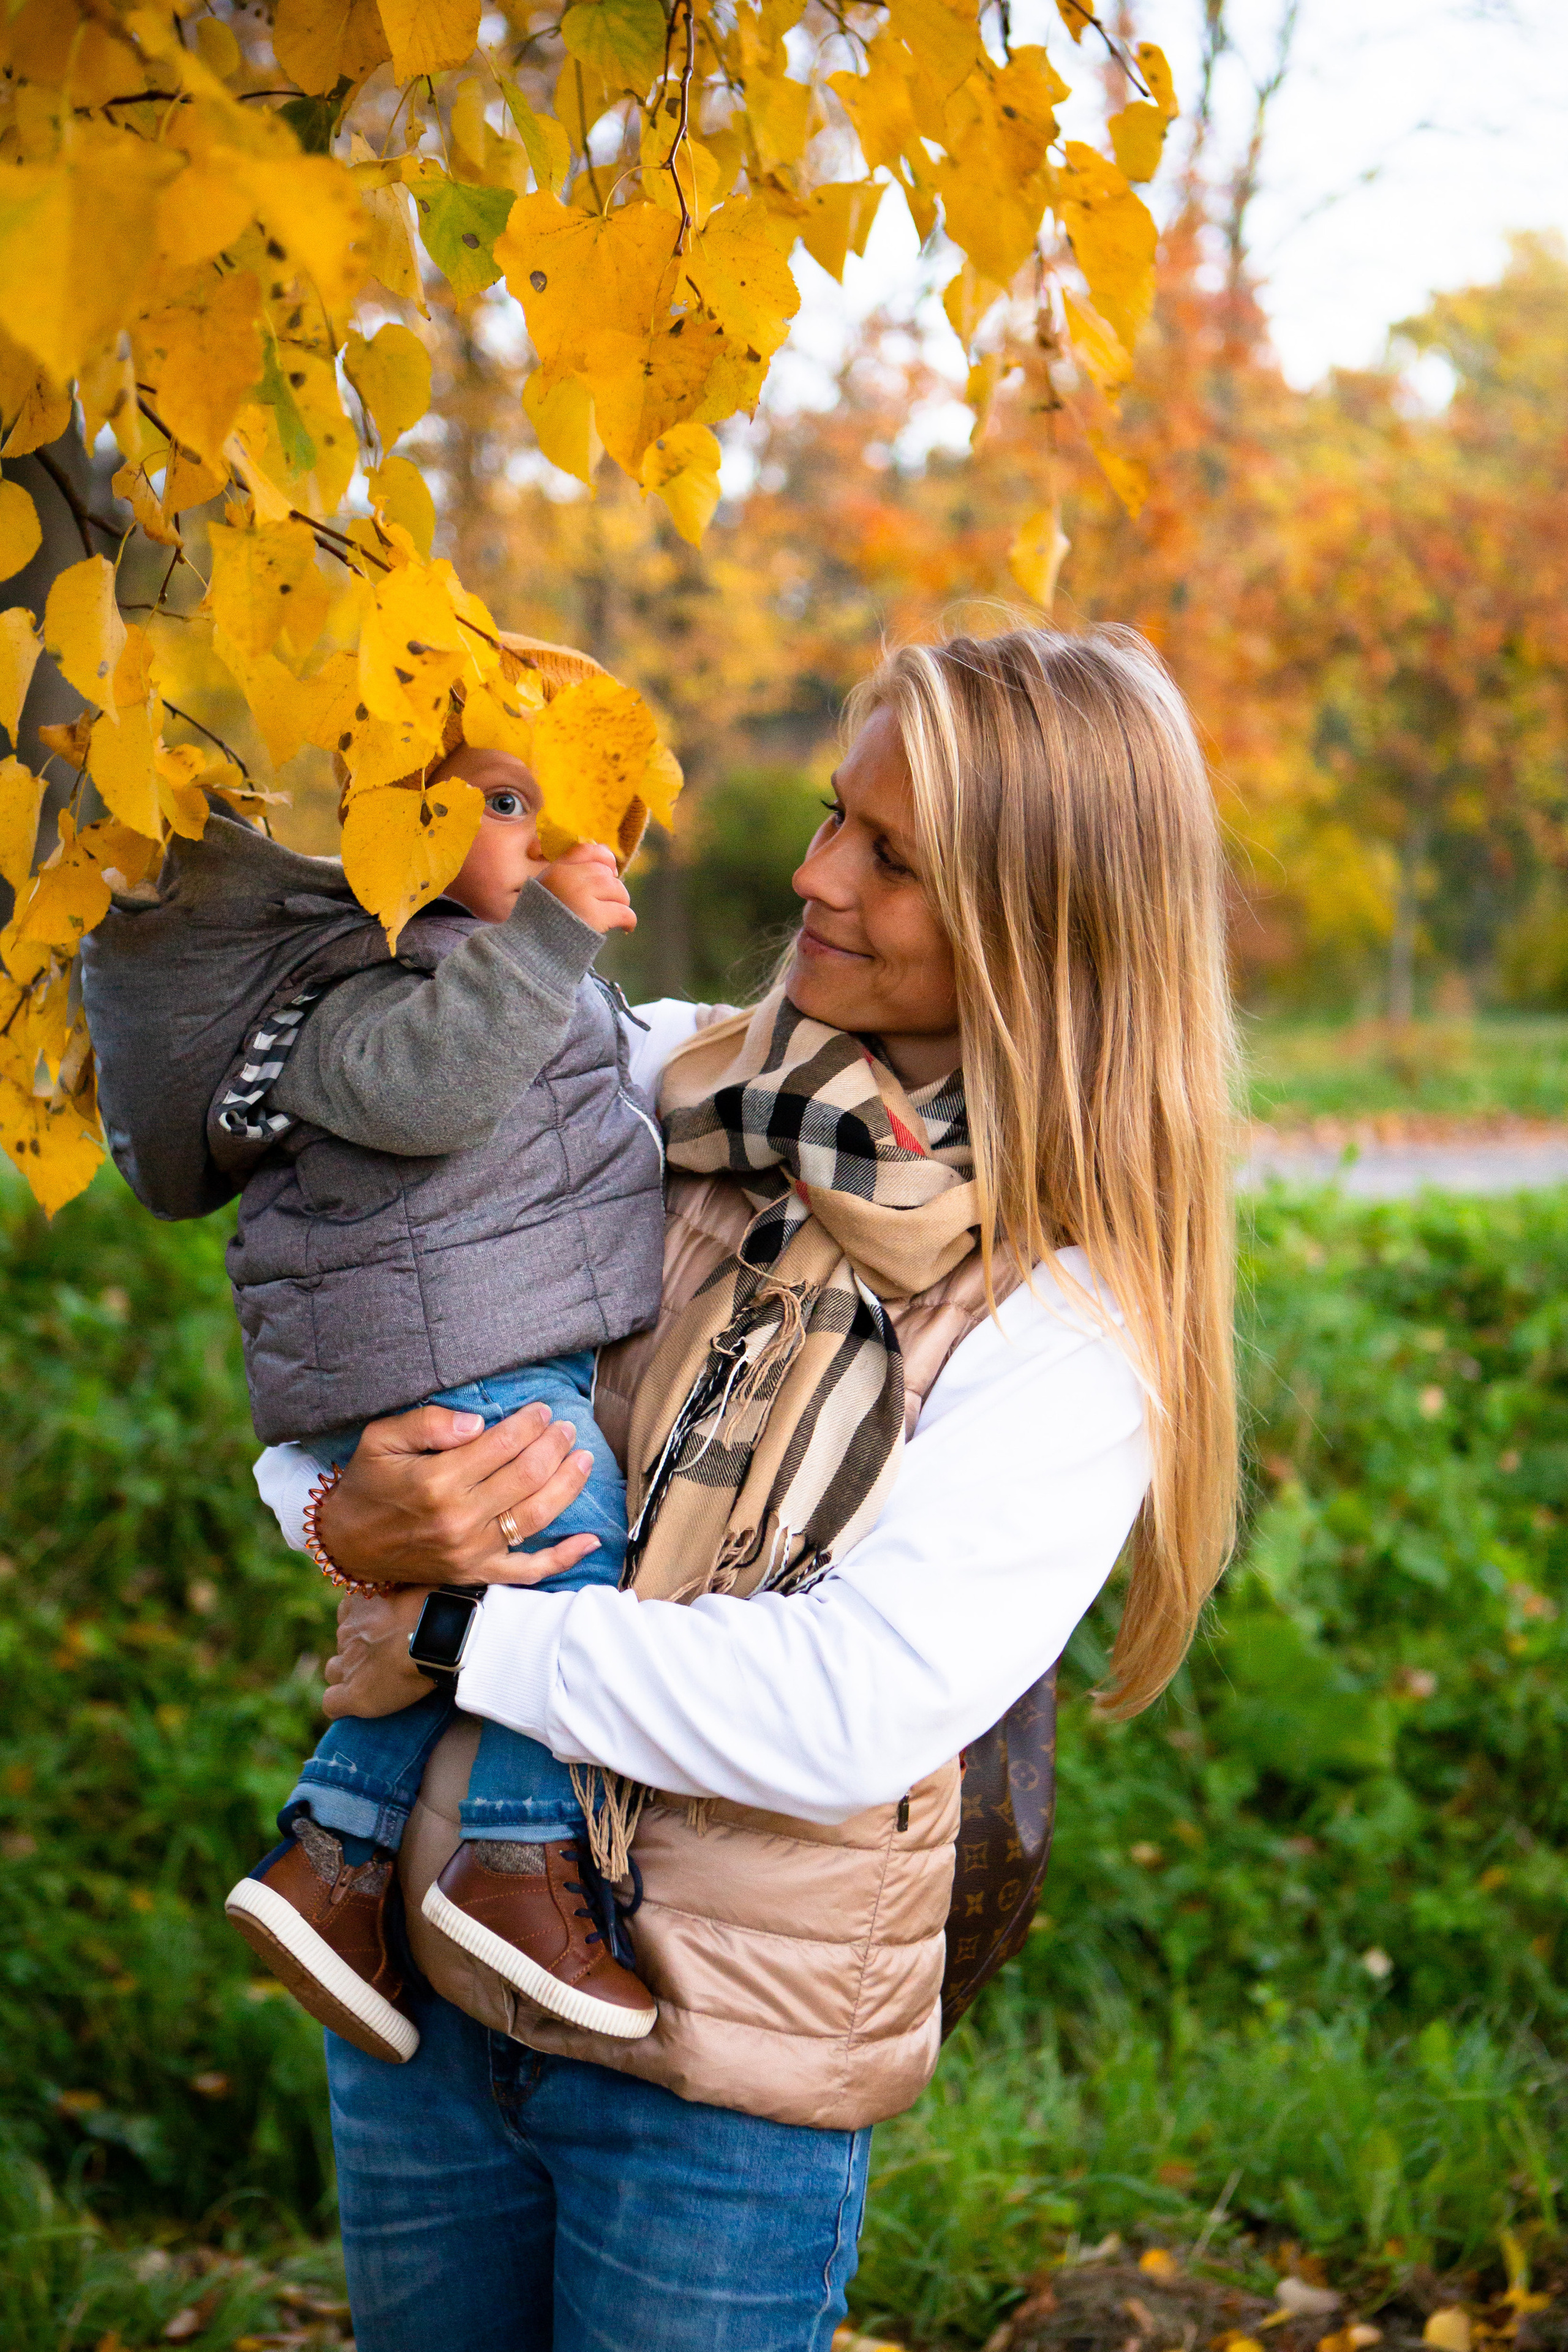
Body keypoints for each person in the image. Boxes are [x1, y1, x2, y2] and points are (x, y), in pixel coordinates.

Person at [254, 627, 1240, 2352]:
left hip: (714, 2075)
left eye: (891, 855)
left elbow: (845, 1710)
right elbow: (380, 1283)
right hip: (414, 1969)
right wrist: (328, 1513)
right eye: (829, 816)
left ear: (1046, 926)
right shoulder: (661, 1080)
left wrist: (445, 1624)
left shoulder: (1073, 1321)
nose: (812, 874)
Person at [222, 743, 669, 2061]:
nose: (549, 840)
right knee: (569, 1538)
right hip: (448, 1345)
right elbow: (430, 1088)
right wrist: (546, 943)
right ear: (392, 818)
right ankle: (516, 1861)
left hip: (461, 1331)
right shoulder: (386, 963)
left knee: (484, 1586)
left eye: (585, 811)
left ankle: (337, 1858)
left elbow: (626, 1084)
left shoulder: (492, 971)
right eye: (509, 804)